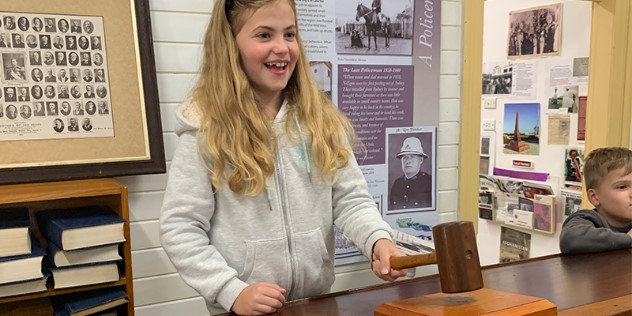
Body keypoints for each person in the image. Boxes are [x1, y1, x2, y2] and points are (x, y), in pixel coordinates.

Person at [159, 1, 407, 315]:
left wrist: (378, 241)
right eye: (264, 35)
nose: (282, 48)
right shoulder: (206, 126)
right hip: (242, 309)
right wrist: (231, 291)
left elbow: (350, 199)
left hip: (315, 304)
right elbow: (180, 227)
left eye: (289, 35)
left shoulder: (319, 118)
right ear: (229, 45)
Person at [559, 147, 632, 254]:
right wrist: (628, 239)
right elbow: (571, 239)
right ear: (594, 197)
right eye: (622, 187)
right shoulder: (588, 219)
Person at [389, 136, 432, 210]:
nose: (408, 161)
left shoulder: (429, 182)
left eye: (412, 157)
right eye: (405, 157)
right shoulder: (397, 184)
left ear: (421, 160)